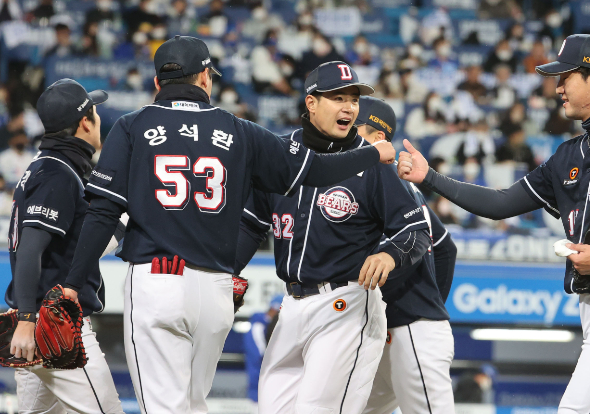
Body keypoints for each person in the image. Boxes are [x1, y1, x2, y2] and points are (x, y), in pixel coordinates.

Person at [64, 38, 396, 414]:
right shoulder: (240, 130)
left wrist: (74, 283)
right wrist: (371, 153)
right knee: (194, 404)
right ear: (205, 78)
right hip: (215, 291)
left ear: (158, 83)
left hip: (157, 282)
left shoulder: (131, 126)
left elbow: (103, 211)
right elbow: (316, 169)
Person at [398, 34, 590, 414]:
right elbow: (500, 204)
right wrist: (429, 177)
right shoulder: (568, 153)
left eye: (566, 77)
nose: (557, 87)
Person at [235, 61, 430, 414]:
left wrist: (390, 254)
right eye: (337, 97)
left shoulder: (373, 162)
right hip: (290, 306)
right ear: (311, 103)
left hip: (346, 303)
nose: (349, 107)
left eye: (354, 99)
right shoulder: (281, 153)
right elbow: (251, 224)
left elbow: (415, 230)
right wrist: (229, 270)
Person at [6, 79, 124, 413]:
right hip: (54, 324)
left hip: (38, 323)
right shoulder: (57, 171)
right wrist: (29, 319)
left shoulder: (53, 166)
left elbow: (75, 242)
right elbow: (30, 249)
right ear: (85, 121)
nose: (99, 118)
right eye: (95, 112)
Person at [356, 96, 458, 414]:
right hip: (385, 330)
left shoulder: (386, 182)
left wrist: (425, 312)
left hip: (412, 329)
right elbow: (445, 248)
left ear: (378, 138)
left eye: (353, 128)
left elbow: (444, 249)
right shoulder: (395, 185)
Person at [244, 295, 283, 402]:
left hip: (271, 386)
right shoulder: (258, 326)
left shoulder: (270, 325)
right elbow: (260, 356)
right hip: (259, 387)